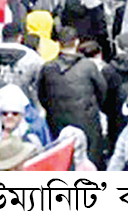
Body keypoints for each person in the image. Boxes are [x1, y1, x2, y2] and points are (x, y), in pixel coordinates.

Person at [36, 26, 107, 169]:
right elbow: (102, 91)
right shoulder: (88, 66)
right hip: (87, 121)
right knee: (91, 162)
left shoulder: (48, 68)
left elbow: (42, 96)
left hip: (58, 122)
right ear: (76, 42)